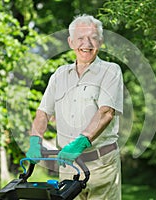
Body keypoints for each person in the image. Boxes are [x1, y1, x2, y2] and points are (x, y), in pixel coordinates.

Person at [26, 14, 123, 200]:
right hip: (68, 166)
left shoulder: (111, 71)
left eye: (93, 38)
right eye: (80, 38)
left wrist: (80, 143)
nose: (86, 43)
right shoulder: (59, 75)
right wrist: (35, 140)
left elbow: (106, 112)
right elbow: (43, 113)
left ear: (100, 41)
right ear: (71, 42)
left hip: (102, 164)